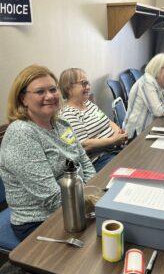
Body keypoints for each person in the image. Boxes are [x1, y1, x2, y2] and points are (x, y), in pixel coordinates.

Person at [0, 65, 96, 241]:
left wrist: (95, 192)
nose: (50, 96)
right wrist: (92, 203)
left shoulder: (61, 124)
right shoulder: (22, 134)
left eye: (53, 89)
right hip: (39, 219)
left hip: (76, 203)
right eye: (40, 92)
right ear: (23, 99)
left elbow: (84, 161)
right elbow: (51, 198)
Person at [58, 68, 128, 172]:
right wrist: (113, 140)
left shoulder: (88, 103)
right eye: (83, 83)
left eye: (88, 83)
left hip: (115, 149)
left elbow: (107, 121)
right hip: (99, 159)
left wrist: (119, 133)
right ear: (69, 88)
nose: (88, 87)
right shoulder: (67, 114)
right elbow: (85, 145)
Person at [123, 53, 164, 138]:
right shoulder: (146, 83)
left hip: (154, 128)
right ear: (157, 68)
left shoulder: (162, 81)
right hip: (136, 136)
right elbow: (158, 110)